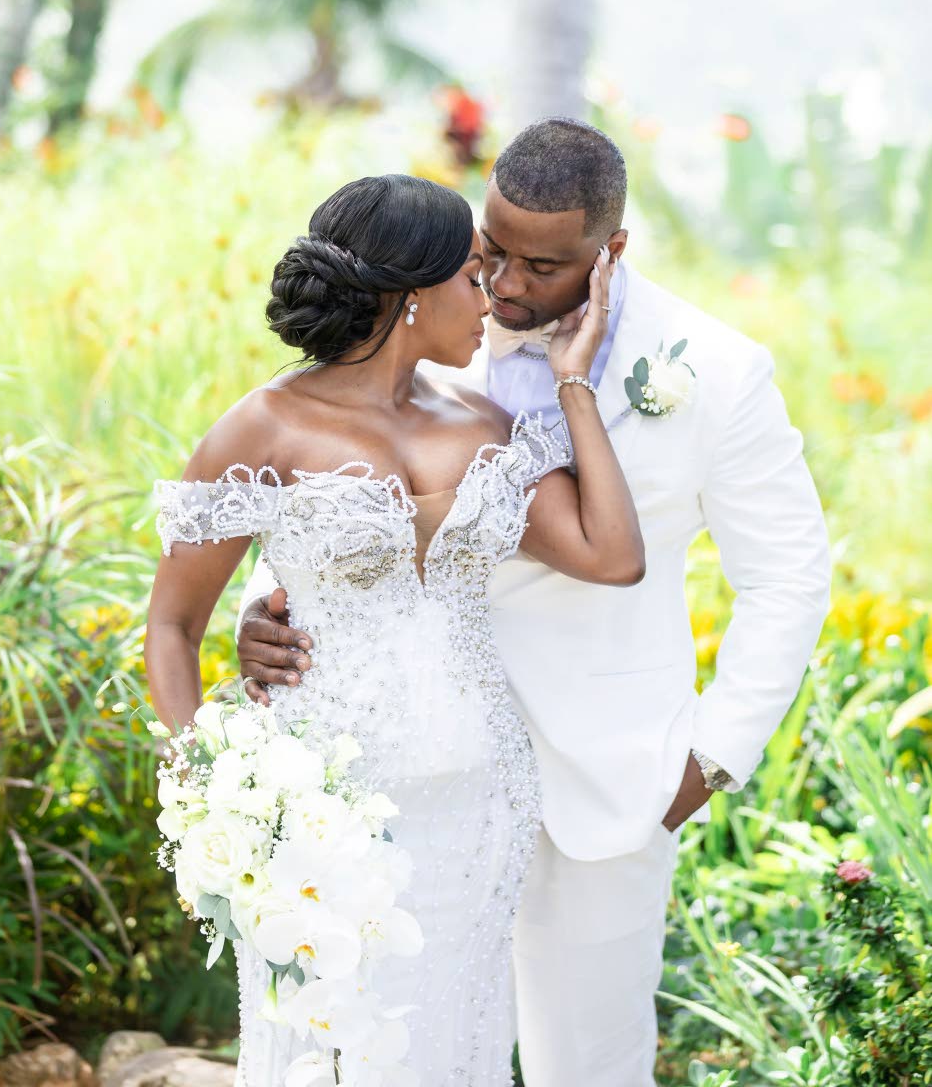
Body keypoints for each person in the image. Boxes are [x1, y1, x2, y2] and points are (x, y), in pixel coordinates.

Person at [236, 120, 832, 1086]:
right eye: (493, 250)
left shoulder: (717, 373)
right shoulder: (423, 319)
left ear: (611, 250)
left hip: (606, 773)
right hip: (411, 762)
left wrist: (713, 757)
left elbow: (789, 575)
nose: (505, 286)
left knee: (587, 1064)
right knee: (402, 1040)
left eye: (542, 266)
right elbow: (325, 474)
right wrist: (266, 612)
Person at [145, 172, 645, 1087]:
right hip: (318, 811)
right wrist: (207, 790)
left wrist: (572, 384)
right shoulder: (261, 430)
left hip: (479, 799)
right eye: (472, 276)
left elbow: (611, 555)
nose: (489, 300)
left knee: (452, 1041)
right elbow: (174, 625)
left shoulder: (486, 425)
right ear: (409, 295)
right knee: (324, 1043)